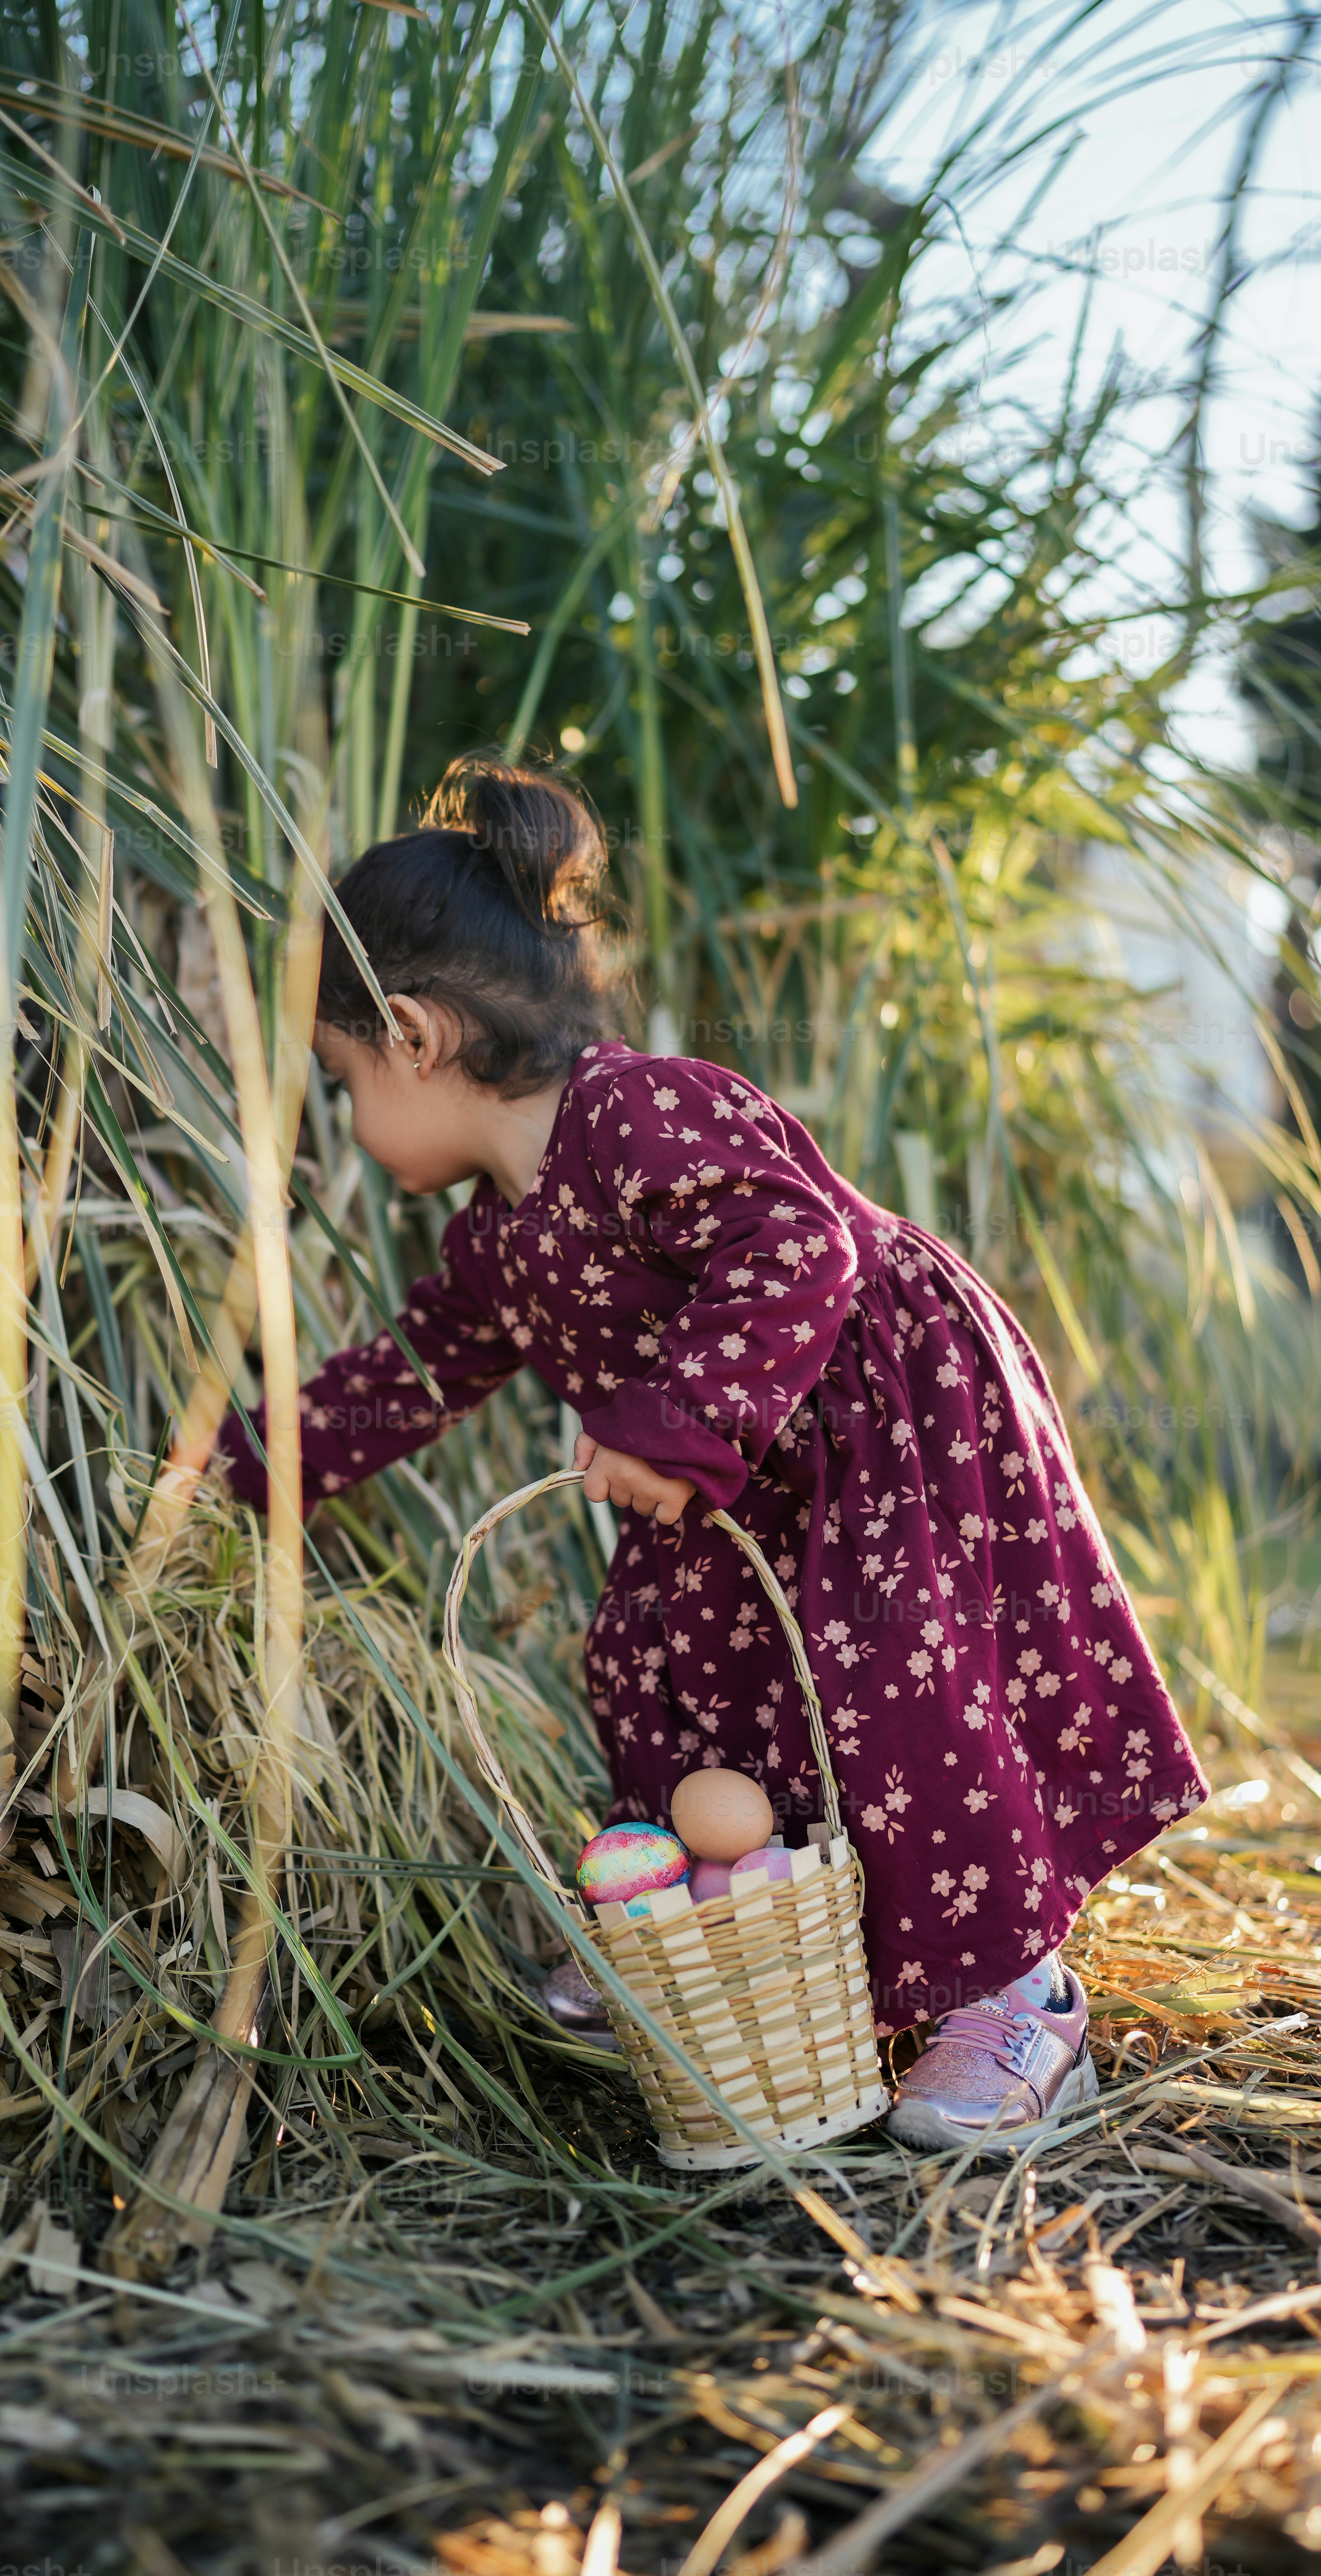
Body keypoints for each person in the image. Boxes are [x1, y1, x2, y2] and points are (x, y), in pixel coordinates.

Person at [215, 758, 1209, 2153]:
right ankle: (714, 1931)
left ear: (414, 1032)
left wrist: (674, 1420)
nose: (344, 1114)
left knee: (898, 1668)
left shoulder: (641, 1112)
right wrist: (240, 1467)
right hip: (750, 1472)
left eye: (341, 1077)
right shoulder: (496, 1238)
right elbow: (414, 1373)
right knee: (655, 1659)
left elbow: (803, 1243)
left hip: (882, 1419)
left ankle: (1020, 1996)